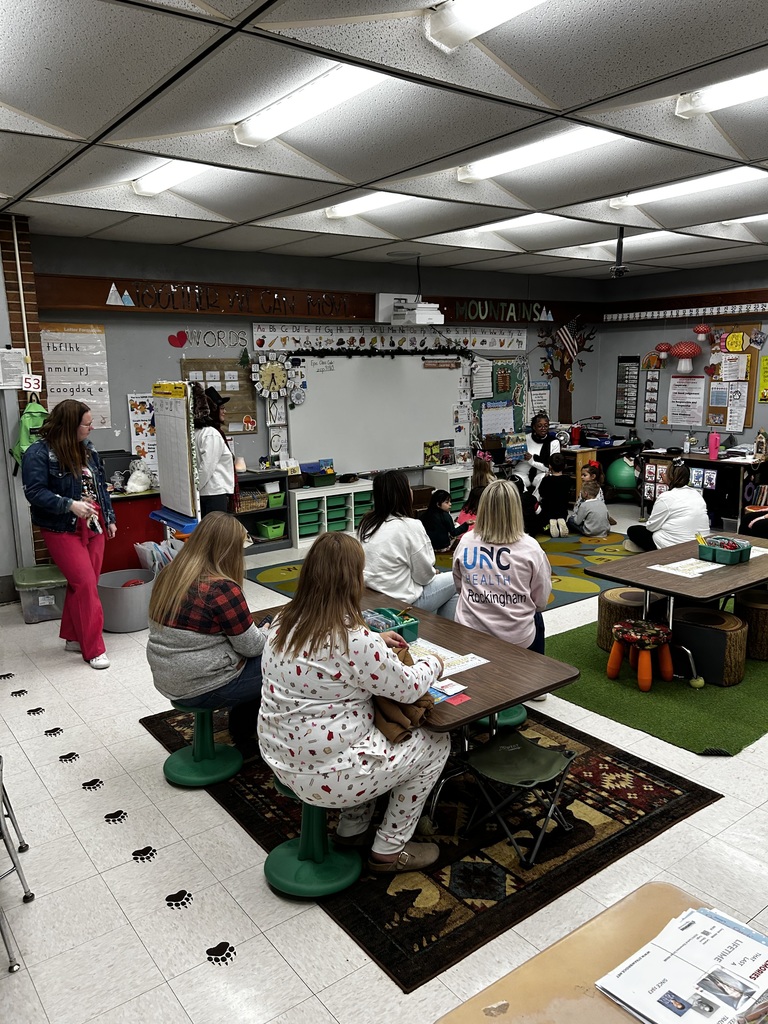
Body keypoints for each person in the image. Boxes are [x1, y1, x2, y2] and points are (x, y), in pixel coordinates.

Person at [257, 532, 450, 873]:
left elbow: (324, 658)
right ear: (353, 580)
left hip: (278, 754)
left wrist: (375, 640)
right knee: (435, 743)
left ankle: (353, 828)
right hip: (327, 775)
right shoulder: (354, 640)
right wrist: (433, 661)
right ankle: (390, 849)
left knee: (365, 734)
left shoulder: (282, 622)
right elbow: (407, 688)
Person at [146, 512, 266, 753]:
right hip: (203, 687)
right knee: (280, 660)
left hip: (168, 678)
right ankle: (248, 732)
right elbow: (251, 647)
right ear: (229, 550)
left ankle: (243, 725)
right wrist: (269, 634)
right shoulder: (221, 587)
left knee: (262, 634)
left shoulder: (170, 573)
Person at [22, 400, 116, 670]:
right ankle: (94, 649)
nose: (91, 428)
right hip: (61, 527)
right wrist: (69, 504)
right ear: (70, 426)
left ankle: (74, 637)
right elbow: (35, 493)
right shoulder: (38, 453)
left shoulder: (88, 449)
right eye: (87, 423)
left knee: (84, 584)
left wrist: (109, 517)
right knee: (86, 584)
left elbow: (101, 487)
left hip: (93, 523)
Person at [452, 480, 552, 662]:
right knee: (537, 617)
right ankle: (536, 676)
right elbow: (541, 600)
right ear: (516, 509)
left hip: (469, 632)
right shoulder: (531, 548)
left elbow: (459, 587)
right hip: (517, 637)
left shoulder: (466, 542)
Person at [358, 470, 458, 619]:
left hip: (371, 598)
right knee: (458, 578)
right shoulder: (410, 526)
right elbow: (424, 577)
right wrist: (433, 572)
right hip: (401, 603)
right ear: (403, 494)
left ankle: (432, 628)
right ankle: (445, 633)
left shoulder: (366, 524)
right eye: (409, 487)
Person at [624, 460, 710, 551]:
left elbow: (651, 527)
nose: (663, 475)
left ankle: (648, 549)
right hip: (700, 543)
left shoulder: (666, 497)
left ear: (670, 477)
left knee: (633, 530)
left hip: (675, 546)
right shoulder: (696, 494)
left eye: (665, 473)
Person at [193, 384, 235, 517]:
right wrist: (196, 489)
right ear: (212, 410)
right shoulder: (211, 434)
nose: (224, 411)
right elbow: (207, 467)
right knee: (216, 534)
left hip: (207, 492)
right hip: (213, 492)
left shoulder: (198, 432)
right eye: (221, 408)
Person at [508, 413, 560, 498]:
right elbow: (513, 462)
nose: (543, 429)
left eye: (546, 426)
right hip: (522, 473)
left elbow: (552, 468)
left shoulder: (553, 442)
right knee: (514, 481)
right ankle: (522, 503)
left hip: (541, 473)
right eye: (539, 426)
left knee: (547, 480)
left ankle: (535, 504)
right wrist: (510, 459)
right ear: (534, 427)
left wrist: (531, 460)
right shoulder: (522, 439)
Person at [539, 452, 571, 537]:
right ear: (565, 466)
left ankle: (549, 526)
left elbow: (541, 493)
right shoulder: (568, 479)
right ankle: (561, 521)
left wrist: (545, 477)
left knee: (542, 527)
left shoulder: (546, 480)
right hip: (563, 511)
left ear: (550, 466)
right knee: (562, 515)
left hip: (548, 512)